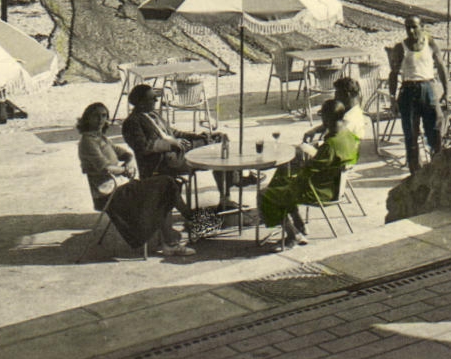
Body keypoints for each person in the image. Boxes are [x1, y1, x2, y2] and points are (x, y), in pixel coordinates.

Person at [76, 102, 193, 257]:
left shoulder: (101, 138)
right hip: (109, 194)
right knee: (166, 184)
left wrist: (130, 163)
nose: (100, 119)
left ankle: (175, 235)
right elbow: (104, 167)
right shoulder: (88, 141)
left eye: (104, 116)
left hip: (121, 187)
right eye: (95, 115)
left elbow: (126, 154)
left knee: (168, 185)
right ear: (87, 118)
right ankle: (187, 225)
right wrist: (125, 170)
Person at [259, 96, 360, 249]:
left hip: (318, 191)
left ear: (327, 118)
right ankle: (299, 224)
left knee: (265, 193)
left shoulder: (330, 145)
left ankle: (293, 235)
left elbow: (308, 172)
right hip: (334, 187)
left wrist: (299, 166)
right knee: (282, 182)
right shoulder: (349, 137)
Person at [120, 84, 248, 203]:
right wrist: (170, 144)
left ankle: (228, 191)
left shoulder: (153, 115)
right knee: (217, 147)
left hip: (178, 152)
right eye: (152, 98)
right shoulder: (132, 122)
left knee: (219, 138)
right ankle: (234, 182)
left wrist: (196, 136)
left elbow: (174, 132)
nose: (156, 101)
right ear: (141, 103)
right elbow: (142, 147)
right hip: (162, 161)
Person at [386, 15, 448, 173]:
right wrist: (392, 98)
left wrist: (446, 91)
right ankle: (416, 172)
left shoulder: (431, 43)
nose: (411, 30)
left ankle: (437, 168)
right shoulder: (401, 47)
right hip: (408, 91)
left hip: (428, 89)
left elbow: (441, 67)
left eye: (414, 26)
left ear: (422, 27)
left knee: (435, 130)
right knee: (411, 135)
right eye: (407, 27)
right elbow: (393, 74)